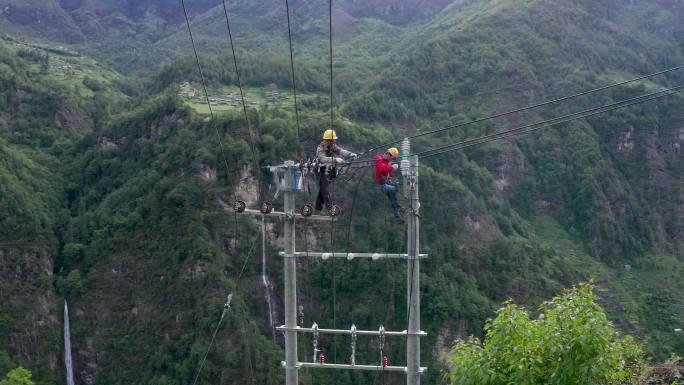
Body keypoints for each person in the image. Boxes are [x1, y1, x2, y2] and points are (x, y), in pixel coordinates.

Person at [315, 129, 357, 211]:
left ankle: (318, 206)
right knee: (324, 189)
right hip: (321, 170)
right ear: (328, 140)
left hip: (329, 169)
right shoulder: (320, 148)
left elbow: (341, 151)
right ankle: (330, 209)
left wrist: (350, 154)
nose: (335, 141)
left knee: (324, 189)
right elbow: (322, 159)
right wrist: (335, 159)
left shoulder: (332, 146)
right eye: (333, 139)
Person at [374, 147, 402, 222]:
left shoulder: (387, 162)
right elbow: (381, 168)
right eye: (392, 158)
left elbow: (388, 175)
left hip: (386, 184)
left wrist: (393, 179)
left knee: (392, 198)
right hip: (382, 185)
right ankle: (397, 207)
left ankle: (398, 216)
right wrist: (392, 167)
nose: (391, 160)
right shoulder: (378, 157)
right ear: (389, 155)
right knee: (394, 189)